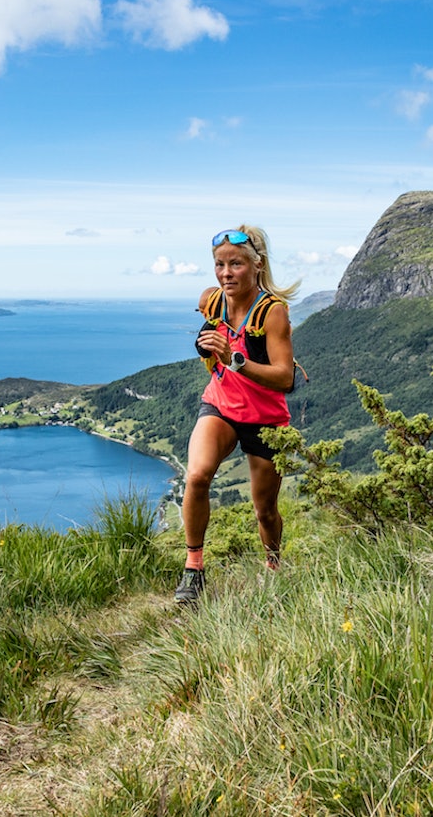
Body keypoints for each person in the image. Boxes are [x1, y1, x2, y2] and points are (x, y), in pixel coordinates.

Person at [176, 225, 300, 605]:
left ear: (256, 265)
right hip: (221, 405)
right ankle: (193, 568)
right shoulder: (211, 301)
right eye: (219, 264)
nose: (226, 273)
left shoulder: (272, 312)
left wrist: (236, 360)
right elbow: (206, 336)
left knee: (264, 512)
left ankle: (274, 566)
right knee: (197, 476)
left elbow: (285, 378)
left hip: (265, 417)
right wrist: (203, 344)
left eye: (236, 264)